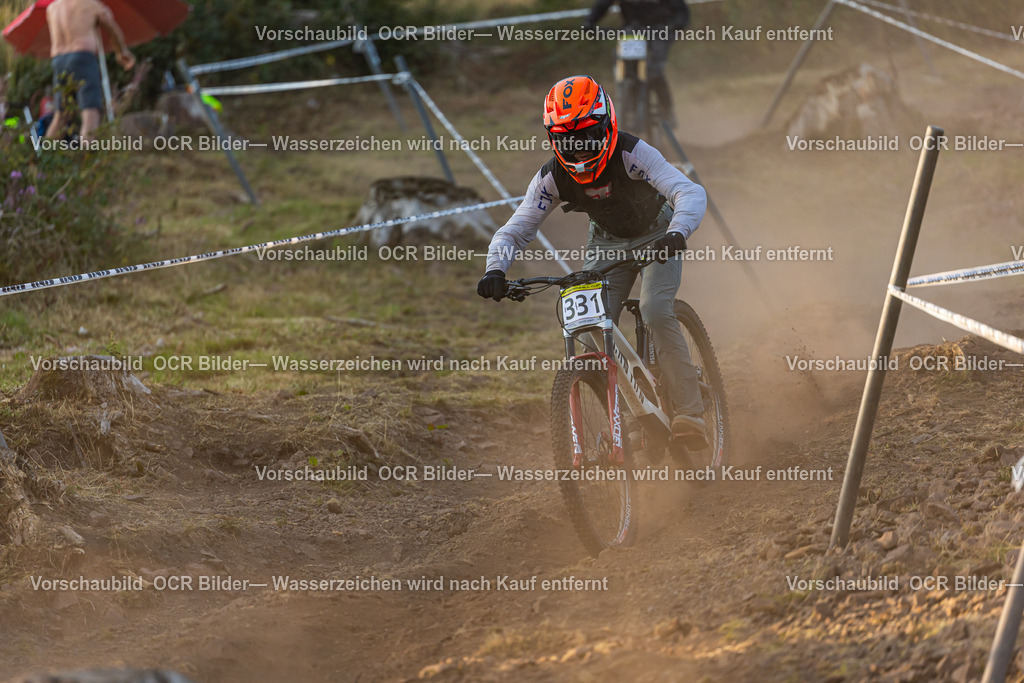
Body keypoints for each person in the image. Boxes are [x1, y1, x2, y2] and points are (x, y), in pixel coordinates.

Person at [477, 75, 708, 446]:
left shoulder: (632, 153)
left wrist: (677, 233)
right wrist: (495, 269)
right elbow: (515, 229)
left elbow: (688, 191)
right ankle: (629, 421)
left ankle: (689, 411)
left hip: (657, 233)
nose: (580, 149)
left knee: (654, 308)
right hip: (606, 243)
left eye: (586, 136)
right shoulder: (551, 178)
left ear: (606, 125)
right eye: (567, 140)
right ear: (554, 140)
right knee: (588, 331)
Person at [584, 0, 690, 126]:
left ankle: (666, 108)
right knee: (620, 60)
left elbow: (681, 10)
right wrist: (589, 22)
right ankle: (627, 97)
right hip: (632, 30)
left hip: (661, 30)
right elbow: (603, 4)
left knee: (654, 69)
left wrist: (676, 24)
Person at [45, 0, 135, 142]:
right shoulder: (91, 5)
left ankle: (44, 157)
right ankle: (88, 158)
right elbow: (112, 29)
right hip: (82, 57)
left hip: (58, 61)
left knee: (60, 115)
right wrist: (121, 51)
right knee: (90, 112)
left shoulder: (52, 8)